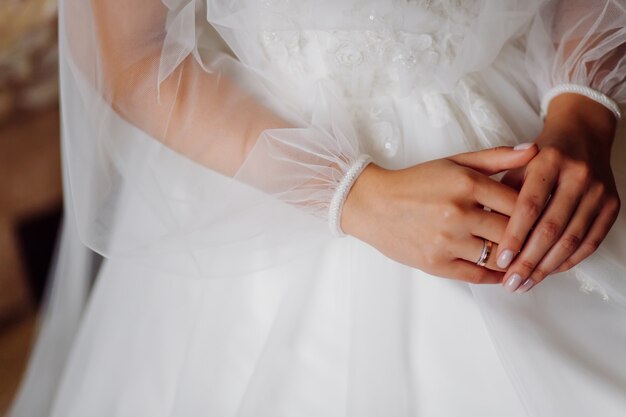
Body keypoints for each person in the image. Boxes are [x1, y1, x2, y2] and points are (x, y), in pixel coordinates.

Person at [8, 0, 626, 416]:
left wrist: (582, 113)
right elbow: (130, 57)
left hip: (535, 137)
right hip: (273, 171)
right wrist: (353, 196)